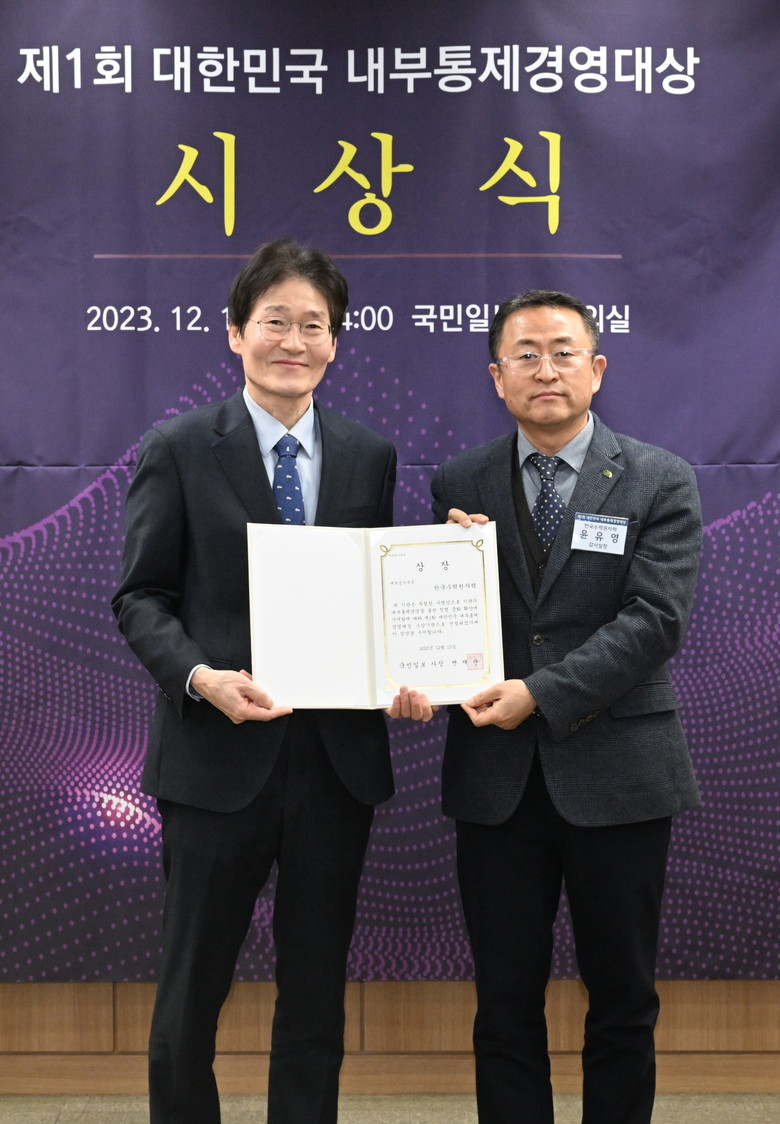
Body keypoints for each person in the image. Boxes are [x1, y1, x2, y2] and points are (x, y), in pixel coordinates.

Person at [112, 238, 431, 1124]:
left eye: (313, 326)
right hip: (215, 760)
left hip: (335, 764)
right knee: (191, 992)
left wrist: (411, 664)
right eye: (274, 321)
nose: (293, 341)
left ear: (336, 343)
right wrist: (200, 677)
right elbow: (140, 597)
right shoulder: (179, 446)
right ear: (235, 333)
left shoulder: (368, 453)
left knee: (317, 992)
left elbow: (373, 591)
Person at [431, 290, 702, 1123]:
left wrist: (539, 694)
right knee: (503, 999)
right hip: (496, 780)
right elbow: (444, 623)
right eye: (525, 354)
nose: (545, 369)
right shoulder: (461, 481)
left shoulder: (660, 478)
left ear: (597, 367)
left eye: (562, 351)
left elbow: (654, 622)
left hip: (620, 776)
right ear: (496, 376)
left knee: (622, 996)